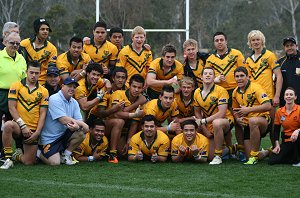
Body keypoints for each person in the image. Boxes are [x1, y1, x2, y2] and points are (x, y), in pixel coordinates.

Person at [0, 61, 49, 169]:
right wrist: (23, 126)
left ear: (40, 73)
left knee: (29, 162)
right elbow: (11, 107)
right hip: (19, 126)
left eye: (36, 73)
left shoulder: (44, 91)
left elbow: (43, 113)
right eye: (31, 72)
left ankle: (16, 155)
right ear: (26, 72)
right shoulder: (16, 85)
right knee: (8, 125)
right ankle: (7, 159)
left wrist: (37, 132)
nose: (33, 75)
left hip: (32, 130)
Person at [205, 32, 245, 158]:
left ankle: (241, 149)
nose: (219, 42)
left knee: (238, 121)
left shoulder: (236, 54)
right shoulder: (210, 59)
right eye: (217, 40)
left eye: (222, 39)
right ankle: (228, 148)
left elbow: (244, 72)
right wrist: (215, 79)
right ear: (214, 43)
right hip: (219, 92)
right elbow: (207, 75)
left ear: (226, 41)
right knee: (222, 121)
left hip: (235, 91)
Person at [38, 77, 89, 165]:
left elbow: (79, 120)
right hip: (49, 139)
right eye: (69, 86)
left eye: (74, 87)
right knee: (55, 163)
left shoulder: (74, 102)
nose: (72, 89)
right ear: (62, 86)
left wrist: (79, 126)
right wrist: (82, 125)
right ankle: (37, 152)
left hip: (63, 135)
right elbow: (63, 119)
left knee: (81, 133)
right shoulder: (54, 98)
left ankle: (66, 155)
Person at [245, 30, 283, 146]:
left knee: (272, 125)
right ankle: (255, 151)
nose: (256, 42)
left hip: (268, 97)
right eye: (253, 40)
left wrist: (277, 95)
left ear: (262, 41)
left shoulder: (270, 55)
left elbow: (279, 75)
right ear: (250, 42)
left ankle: (275, 148)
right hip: (254, 98)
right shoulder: (248, 60)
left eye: (258, 39)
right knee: (255, 125)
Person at [193, 67, 235, 163]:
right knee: (209, 157)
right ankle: (231, 149)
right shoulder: (196, 92)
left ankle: (218, 156)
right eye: (205, 73)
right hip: (208, 123)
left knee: (217, 123)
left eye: (210, 74)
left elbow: (222, 113)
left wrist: (204, 121)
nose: (208, 75)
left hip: (226, 119)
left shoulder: (221, 90)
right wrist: (205, 129)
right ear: (201, 77)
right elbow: (197, 112)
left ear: (214, 77)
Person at [232, 66, 271, 165]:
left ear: (247, 77)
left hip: (262, 121)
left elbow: (268, 105)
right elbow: (234, 109)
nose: (239, 78)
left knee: (253, 121)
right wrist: (237, 119)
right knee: (248, 156)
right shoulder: (235, 92)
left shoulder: (256, 87)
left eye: (242, 76)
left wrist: (248, 110)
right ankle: (267, 152)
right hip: (248, 125)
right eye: (237, 76)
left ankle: (254, 155)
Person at [106, 74, 147, 163]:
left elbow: (134, 123)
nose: (136, 90)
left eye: (139, 88)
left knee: (123, 154)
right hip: (108, 126)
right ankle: (112, 154)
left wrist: (129, 141)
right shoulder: (118, 93)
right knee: (119, 121)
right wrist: (134, 115)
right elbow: (116, 114)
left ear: (142, 88)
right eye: (134, 86)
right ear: (129, 85)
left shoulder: (141, 101)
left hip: (123, 131)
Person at [0, 32, 26, 157]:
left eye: (17, 43)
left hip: (17, 95)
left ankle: (18, 150)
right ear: (5, 43)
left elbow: (24, 78)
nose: (15, 45)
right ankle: (2, 153)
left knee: (16, 123)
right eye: (12, 43)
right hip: (2, 94)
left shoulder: (21, 58)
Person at [20, 18, 57, 85]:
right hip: (24, 81)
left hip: (42, 82)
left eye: (47, 29)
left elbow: (52, 68)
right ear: (36, 31)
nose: (45, 31)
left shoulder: (52, 48)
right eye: (42, 29)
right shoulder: (24, 44)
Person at [269, 87, 300, 165]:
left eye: (291, 94)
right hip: (287, 141)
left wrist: (297, 131)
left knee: (296, 140)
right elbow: (276, 130)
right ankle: (293, 158)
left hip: (298, 139)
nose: (288, 96)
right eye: (286, 94)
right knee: (272, 161)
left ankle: (295, 159)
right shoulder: (279, 111)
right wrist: (277, 144)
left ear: (295, 97)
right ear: (284, 97)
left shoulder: (299, 109)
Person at [277, 37, 300, 107]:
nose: (289, 48)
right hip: (285, 101)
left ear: (296, 46)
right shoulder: (280, 62)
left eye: (291, 45)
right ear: (284, 48)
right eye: (287, 46)